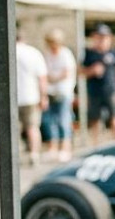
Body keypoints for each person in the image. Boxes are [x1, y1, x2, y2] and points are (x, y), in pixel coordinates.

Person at [82, 24, 115, 145]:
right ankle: (96, 145)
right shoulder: (90, 53)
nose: (101, 40)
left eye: (104, 37)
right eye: (99, 37)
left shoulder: (114, 53)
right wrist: (92, 70)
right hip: (94, 91)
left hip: (110, 90)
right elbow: (81, 71)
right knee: (95, 120)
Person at [41, 29, 77, 162]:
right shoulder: (47, 54)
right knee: (50, 121)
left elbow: (66, 73)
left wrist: (53, 78)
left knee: (64, 120)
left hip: (63, 92)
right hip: (51, 91)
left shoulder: (65, 54)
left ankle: (65, 148)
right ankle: (53, 148)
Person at [14, 32, 47, 166]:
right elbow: (42, 77)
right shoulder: (33, 53)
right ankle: (34, 154)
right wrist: (43, 96)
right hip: (31, 96)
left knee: (12, 128)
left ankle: (14, 155)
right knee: (32, 127)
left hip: (13, 97)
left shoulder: (8, 51)